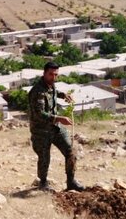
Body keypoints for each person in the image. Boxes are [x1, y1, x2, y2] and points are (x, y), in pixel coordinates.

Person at [28, 62, 84, 192]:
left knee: (70, 151)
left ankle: (71, 182)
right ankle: (43, 183)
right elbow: (39, 113)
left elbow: (52, 92)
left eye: (56, 75)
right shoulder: (37, 91)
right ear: (44, 73)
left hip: (55, 128)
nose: (53, 77)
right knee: (44, 158)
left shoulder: (51, 86)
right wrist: (59, 118)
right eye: (50, 74)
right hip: (40, 131)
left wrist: (63, 95)